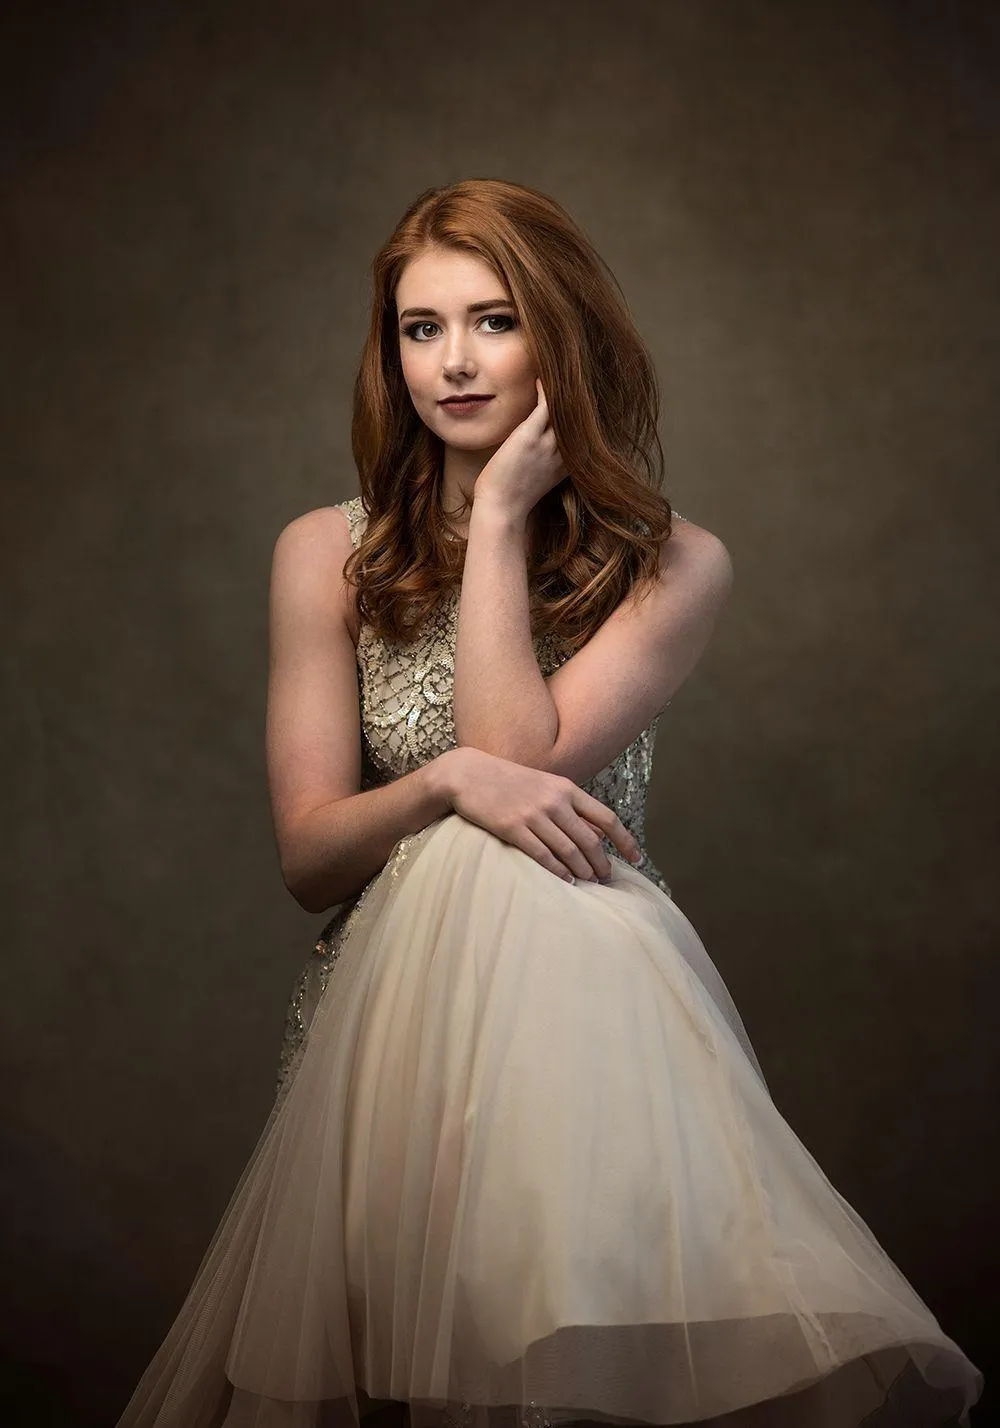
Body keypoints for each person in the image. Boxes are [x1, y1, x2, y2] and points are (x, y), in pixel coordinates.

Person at [115, 179, 983, 1428]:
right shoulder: (326, 553)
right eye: (421, 328)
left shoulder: (675, 563)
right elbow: (311, 859)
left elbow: (515, 751)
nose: (454, 363)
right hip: (385, 1035)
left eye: (493, 320)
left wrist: (508, 521)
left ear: (558, 337)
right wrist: (443, 784)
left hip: (578, 1030)